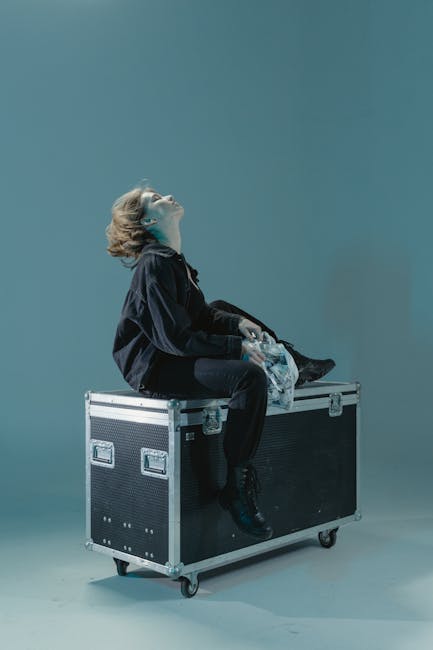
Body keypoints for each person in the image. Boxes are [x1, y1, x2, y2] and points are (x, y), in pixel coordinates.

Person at [105, 182, 335, 542]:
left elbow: (200, 317)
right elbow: (174, 339)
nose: (168, 197)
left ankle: (293, 362)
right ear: (148, 220)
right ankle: (237, 489)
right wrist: (236, 348)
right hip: (156, 367)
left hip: (174, 353)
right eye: (156, 199)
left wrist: (237, 325)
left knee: (223, 309)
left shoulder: (173, 262)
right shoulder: (154, 265)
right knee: (248, 378)